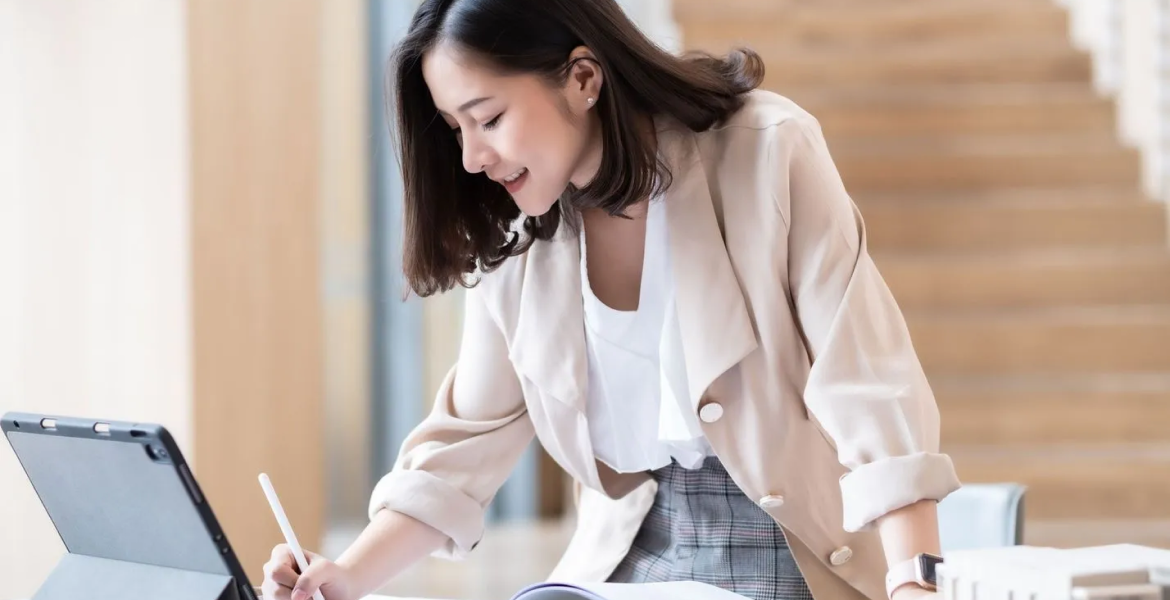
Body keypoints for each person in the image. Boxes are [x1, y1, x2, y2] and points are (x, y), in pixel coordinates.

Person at [260, 0, 962, 599]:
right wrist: (344, 576)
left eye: (489, 117)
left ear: (583, 77)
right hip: (625, 564)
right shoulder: (519, 235)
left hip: (794, 557)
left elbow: (869, 384)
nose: (472, 156)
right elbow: (464, 443)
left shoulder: (768, 153)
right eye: (455, 129)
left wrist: (915, 580)